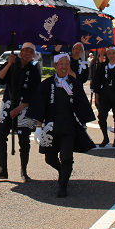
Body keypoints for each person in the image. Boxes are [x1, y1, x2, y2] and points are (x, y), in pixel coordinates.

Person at [29, 53, 96, 198]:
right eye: (61, 63)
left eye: (67, 63)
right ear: (55, 66)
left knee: (66, 157)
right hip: (50, 126)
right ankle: (62, 171)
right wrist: (38, 127)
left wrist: (83, 125)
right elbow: (39, 105)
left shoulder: (74, 84)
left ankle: (63, 186)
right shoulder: (46, 84)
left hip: (68, 126)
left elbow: (81, 105)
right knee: (50, 158)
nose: (64, 66)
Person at [0, 42, 41, 182]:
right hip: (8, 104)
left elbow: (34, 93)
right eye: (25, 50)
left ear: (33, 55)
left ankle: (24, 171)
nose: (28, 53)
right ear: (21, 51)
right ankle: (3, 170)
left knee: (24, 139)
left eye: (31, 52)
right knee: (0, 136)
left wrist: (20, 108)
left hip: (25, 107)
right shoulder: (12, 64)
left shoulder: (34, 70)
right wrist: (8, 64)